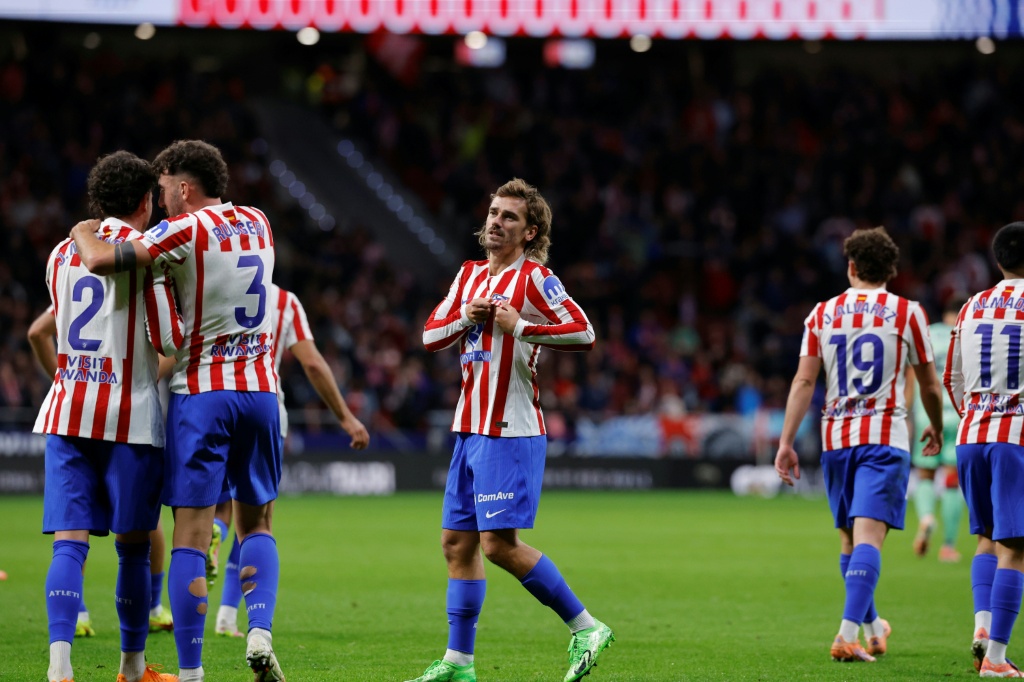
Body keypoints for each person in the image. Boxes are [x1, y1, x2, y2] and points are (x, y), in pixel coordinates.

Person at [71, 139, 284, 682]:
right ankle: (259, 629)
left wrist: (84, 227)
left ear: (183, 187)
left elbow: (98, 259)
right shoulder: (258, 220)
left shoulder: (183, 229)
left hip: (202, 394)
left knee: (190, 534)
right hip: (261, 391)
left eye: (163, 189)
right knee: (255, 523)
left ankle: (191, 673)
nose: (159, 200)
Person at [412, 178, 614, 682]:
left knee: (498, 544)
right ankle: (459, 663)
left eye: (509, 217)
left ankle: (586, 626)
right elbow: (430, 335)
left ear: (530, 232)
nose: (496, 223)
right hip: (469, 428)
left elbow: (584, 331)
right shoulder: (469, 276)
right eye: (493, 213)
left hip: (510, 429)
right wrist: (466, 314)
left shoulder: (536, 279)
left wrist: (521, 327)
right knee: (457, 545)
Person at [34, 150, 182, 682]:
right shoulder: (147, 255)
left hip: (68, 411)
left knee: (68, 544)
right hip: (130, 418)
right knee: (133, 549)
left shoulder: (58, 254)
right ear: (146, 201)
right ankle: (132, 666)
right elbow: (168, 339)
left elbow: (53, 326)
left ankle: (59, 667)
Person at [774, 226, 944, 663]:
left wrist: (786, 441)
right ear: (892, 270)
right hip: (884, 439)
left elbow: (805, 380)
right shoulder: (908, 313)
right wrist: (938, 426)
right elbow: (928, 382)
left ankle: (872, 627)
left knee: (849, 542)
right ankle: (846, 634)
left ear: (850, 266)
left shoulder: (822, 313)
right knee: (869, 538)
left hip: (836, 441)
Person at [212, 282, 370, 638]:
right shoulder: (284, 301)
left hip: (208, 401)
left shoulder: (209, 281)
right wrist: (345, 416)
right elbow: (312, 363)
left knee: (212, 512)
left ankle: (213, 539)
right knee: (255, 521)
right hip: (263, 407)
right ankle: (228, 615)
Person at [29, 307, 176, 635]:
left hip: (77, 408)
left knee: (72, 527)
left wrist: (65, 380)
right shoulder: (138, 278)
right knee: (143, 525)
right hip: (130, 412)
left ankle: (76, 616)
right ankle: (151, 608)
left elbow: (37, 332)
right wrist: (138, 381)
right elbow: (175, 345)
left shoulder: (70, 274)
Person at [945, 222, 1024, 678]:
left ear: (997, 262)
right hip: (1015, 436)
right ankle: (995, 658)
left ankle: (981, 626)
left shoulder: (972, 305)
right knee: (1015, 548)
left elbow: (952, 378)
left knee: (986, 540)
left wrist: (975, 414)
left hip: (971, 434)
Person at [906, 297, 968, 563]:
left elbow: (913, 377)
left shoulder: (928, 334)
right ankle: (948, 545)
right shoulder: (968, 334)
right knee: (953, 482)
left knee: (926, 475)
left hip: (925, 415)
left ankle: (927, 517)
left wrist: (907, 413)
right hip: (957, 414)